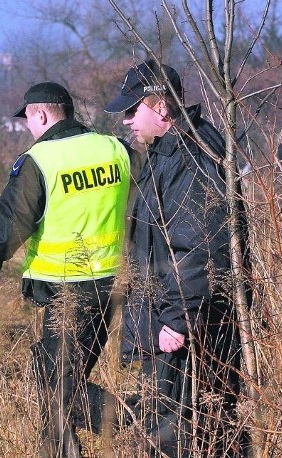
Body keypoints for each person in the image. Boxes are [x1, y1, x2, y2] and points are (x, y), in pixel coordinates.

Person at [0, 82, 132, 457]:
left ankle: (151, 418)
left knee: (58, 385)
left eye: (27, 120)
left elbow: (11, 224)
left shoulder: (41, 160)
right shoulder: (116, 148)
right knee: (54, 379)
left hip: (69, 290)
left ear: (40, 114)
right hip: (115, 284)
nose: (28, 128)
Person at [105, 60, 245, 456]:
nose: (127, 121)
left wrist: (180, 316)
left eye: (133, 110)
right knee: (180, 430)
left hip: (185, 327)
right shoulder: (166, 153)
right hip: (172, 320)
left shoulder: (191, 154)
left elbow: (203, 242)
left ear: (162, 107)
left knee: (180, 436)